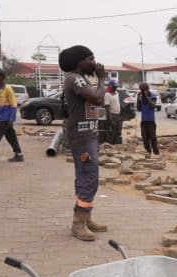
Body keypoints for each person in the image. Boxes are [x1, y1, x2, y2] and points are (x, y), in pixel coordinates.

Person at [58, 45, 108, 242]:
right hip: (82, 136)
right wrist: (102, 79)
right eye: (91, 58)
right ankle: (78, 224)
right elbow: (97, 98)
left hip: (88, 135)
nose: (94, 62)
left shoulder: (81, 78)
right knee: (88, 177)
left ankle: (86, 218)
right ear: (80, 62)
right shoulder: (75, 78)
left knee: (87, 176)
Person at [137, 82, 159, 156]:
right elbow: (139, 109)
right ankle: (148, 151)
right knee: (144, 138)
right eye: (141, 90)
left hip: (151, 121)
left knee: (153, 137)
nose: (142, 91)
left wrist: (146, 96)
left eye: (143, 90)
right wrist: (138, 100)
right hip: (143, 121)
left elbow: (153, 105)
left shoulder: (153, 95)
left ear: (147, 89)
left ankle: (156, 152)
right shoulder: (141, 96)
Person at [104, 80, 122, 144]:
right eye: (114, 87)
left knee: (118, 130)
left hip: (117, 114)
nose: (115, 88)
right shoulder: (107, 95)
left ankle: (115, 144)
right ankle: (110, 144)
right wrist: (110, 118)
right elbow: (107, 107)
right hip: (111, 115)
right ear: (110, 87)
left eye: (116, 87)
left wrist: (120, 115)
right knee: (111, 131)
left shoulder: (117, 93)